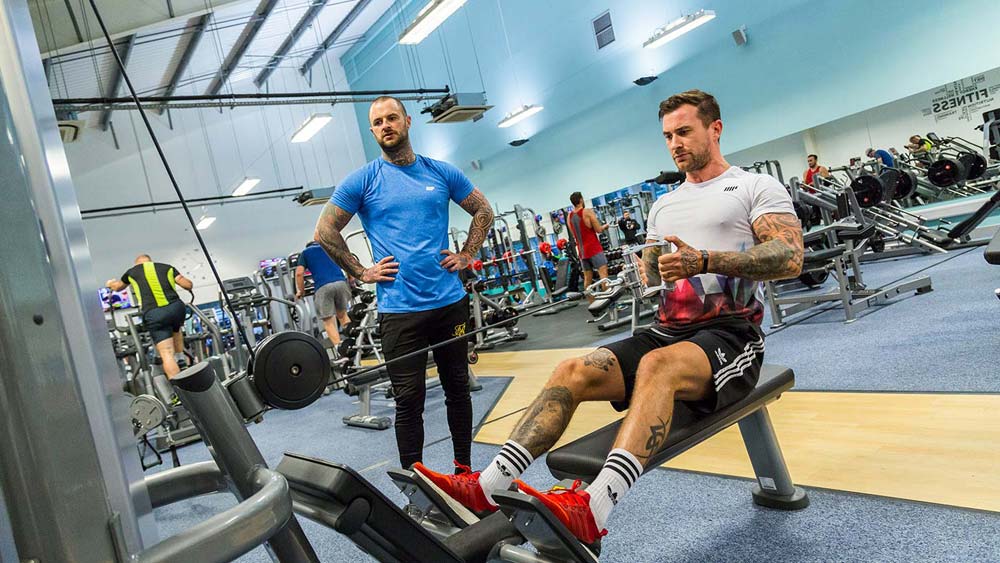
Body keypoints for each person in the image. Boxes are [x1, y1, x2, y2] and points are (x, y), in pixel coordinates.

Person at [412, 89, 804, 549]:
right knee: (571, 370)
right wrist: (647, 271)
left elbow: (789, 256)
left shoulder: (756, 186)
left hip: (731, 336)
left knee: (660, 367)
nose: (675, 143)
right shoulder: (664, 205)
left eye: (684, 132)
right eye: (667, 136)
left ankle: (592, 508)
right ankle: (488, 487)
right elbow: (660, 277)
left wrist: (704, 261)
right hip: (665, 331)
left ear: (715, 129)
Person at [313, 95, 494, 470]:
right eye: (377, 123)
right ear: (372, 131)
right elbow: (324, 229)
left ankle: (464, 470)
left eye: (391, 118)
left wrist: (466, 255)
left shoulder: (441, 172)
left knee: (458, 389)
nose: (385, 126)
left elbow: (483, 209)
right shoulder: (363, 180)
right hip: (400, 311)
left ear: (407, 121)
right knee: (408, 401)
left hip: (449, 303)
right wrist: (361, 271)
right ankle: (418, 484)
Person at [106, 254, 194, 379]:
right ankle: (181, 359)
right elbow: (187, 285)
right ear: (150, 261)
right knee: (176, 328)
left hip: (154, 312)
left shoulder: (131, 272)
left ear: (137, 264)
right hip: (176, 308)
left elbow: (118, 287)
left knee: (166, 353)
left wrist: (110, 283)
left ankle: (180, 390)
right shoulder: (167, 267)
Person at [295, 241, 352, 347]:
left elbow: (299, 274)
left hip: (323, 287)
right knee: (343, 315)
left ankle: (341, 352)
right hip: (341, 283)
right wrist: (351, 278)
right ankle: (354, 345)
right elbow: (346, 261)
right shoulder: (329, 247)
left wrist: (301, 291)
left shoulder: (305, 253)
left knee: (328, 321)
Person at [566, 191, 610, 303]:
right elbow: (598, 230)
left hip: (581, 252)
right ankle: (610, 304)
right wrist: (605, 226)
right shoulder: (587, 212)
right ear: (580, 200)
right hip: (594, 249)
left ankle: (593, 305)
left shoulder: (569, 217)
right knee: (603, 276)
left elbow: (574, 234)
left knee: (587, 280)